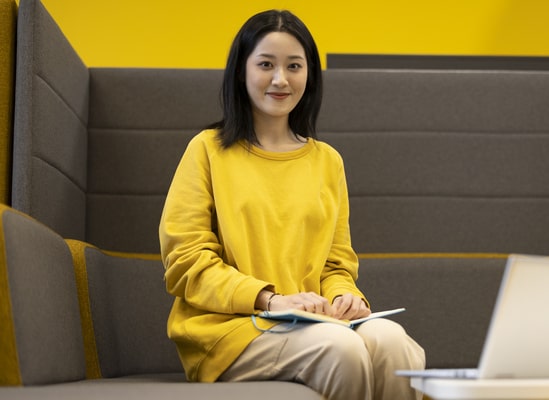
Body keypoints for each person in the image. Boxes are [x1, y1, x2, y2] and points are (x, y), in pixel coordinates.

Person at [159, 9, 425, 399]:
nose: (280, 79)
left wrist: (343, 297)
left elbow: (336, 264)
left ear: (309, 75)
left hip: (315, 322)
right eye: (266, 64)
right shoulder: (206, 150)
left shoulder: (327, 161)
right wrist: (271, 299)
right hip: (230, 330)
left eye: (294, 66)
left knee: (394, 343)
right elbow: (185, 262)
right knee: (342, 350)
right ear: (241, 72)